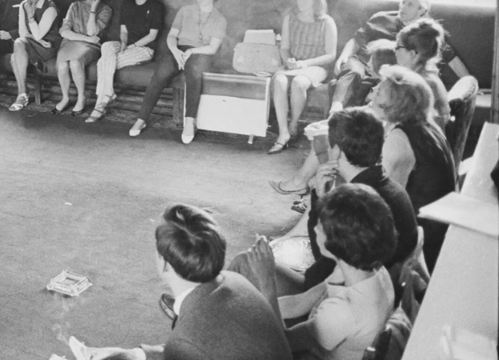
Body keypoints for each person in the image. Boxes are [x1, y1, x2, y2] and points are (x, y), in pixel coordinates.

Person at [71, 204, 291, 360]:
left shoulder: (186, 342)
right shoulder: (236, 281)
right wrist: (134, 355)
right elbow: (205, 347)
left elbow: (192, 347)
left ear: (164, 264)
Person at [242, 108, 417, 296]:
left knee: (245, 262)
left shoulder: (355, 203)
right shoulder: (392, 189)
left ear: (336, 151)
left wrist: (319, 198)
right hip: (379, 288)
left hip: (331, 293)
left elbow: (322, 256)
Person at [270, 19, 452, 198]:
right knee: (334, 132)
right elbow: (379, 110)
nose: (394, 50)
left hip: (415, 170)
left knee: (338, 141)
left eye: (398, 47)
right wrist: (336, 120)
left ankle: (316, 190)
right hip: (410, 155)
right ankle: (310, 187)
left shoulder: (415, 84)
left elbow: (396, 126)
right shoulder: (416, 77)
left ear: (413, 53)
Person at [234, 184, 397, 360]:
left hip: (301, 352)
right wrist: (253, 306)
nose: (315, 229)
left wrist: (267, 283)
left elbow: (283, 344)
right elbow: (301, 302)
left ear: (336, 242)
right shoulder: (368, 269)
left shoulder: (343, 311)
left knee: (234, 333)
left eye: (320, 225)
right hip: (319, 332)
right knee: (244, 264)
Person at [370, 66, 456, 271]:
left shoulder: (399, 139)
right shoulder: (428, 125)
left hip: (424, 241)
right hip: (440, 225)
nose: (373, 92)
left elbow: (388, 201)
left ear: (397, 103)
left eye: (379, 91)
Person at [330, 0, 469, 113]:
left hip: (386, 71)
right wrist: (343, 56)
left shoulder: (424, 33)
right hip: (362, 61)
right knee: (354, 72)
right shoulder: (381, 18)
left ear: (422, 10)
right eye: (403, 2)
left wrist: (469, 81)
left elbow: (451, 57)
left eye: (410, 4)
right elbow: (357, 39)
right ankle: (335, 109)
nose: (403, 7)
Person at [129, 0, 228, 143]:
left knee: (194, 72)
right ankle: (141, 118)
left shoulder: (220, 18)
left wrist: (191, 51)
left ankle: (189, 122)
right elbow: (172, 36)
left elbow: (212, 48)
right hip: (178, 49)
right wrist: (175, 51)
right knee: (161, 73)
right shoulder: (185, 10)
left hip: (201, 52)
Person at [269, 0, 337, 154]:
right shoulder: (290, 19)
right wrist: (289, 61)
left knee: (299, 82)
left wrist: (305, 63)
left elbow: (330, 55)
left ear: (315, 0)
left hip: (315, 66)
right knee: (279, 81)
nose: (300, 1)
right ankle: (283, 132)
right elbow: (284, 48)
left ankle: (293, 124)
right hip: (293, 64)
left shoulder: (327, 22)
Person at [86, 0, 163, 123]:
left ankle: (100, 103)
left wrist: (132, 46)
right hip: (126, 45)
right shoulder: (126, 4)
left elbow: (152, 36)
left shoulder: (156, 6)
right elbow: (124, 31)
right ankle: (108, 93)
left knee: (102, 63)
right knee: (107, 46)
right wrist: (123, 43)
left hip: (144, 49)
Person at [55, 0, 113, 115]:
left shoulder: (106, 10)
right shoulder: (75, 6)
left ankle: (81, 98)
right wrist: (86, 38)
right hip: (72, 42)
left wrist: (93, 9)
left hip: (91, 47)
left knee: (75, 63)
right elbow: (63, 31)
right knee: (62, 65)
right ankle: (65, 97)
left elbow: (92, 32)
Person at [8, 0, 62, 111]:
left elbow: (38, 34)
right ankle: (22, 94)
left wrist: (31, 16)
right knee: (17, 46)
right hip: (34, 43)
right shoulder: (24, 5)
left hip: (49, 46)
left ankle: (22, 94)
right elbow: (23, 33)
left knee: (15, 55)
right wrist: (37, 39)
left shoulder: (50, 8)